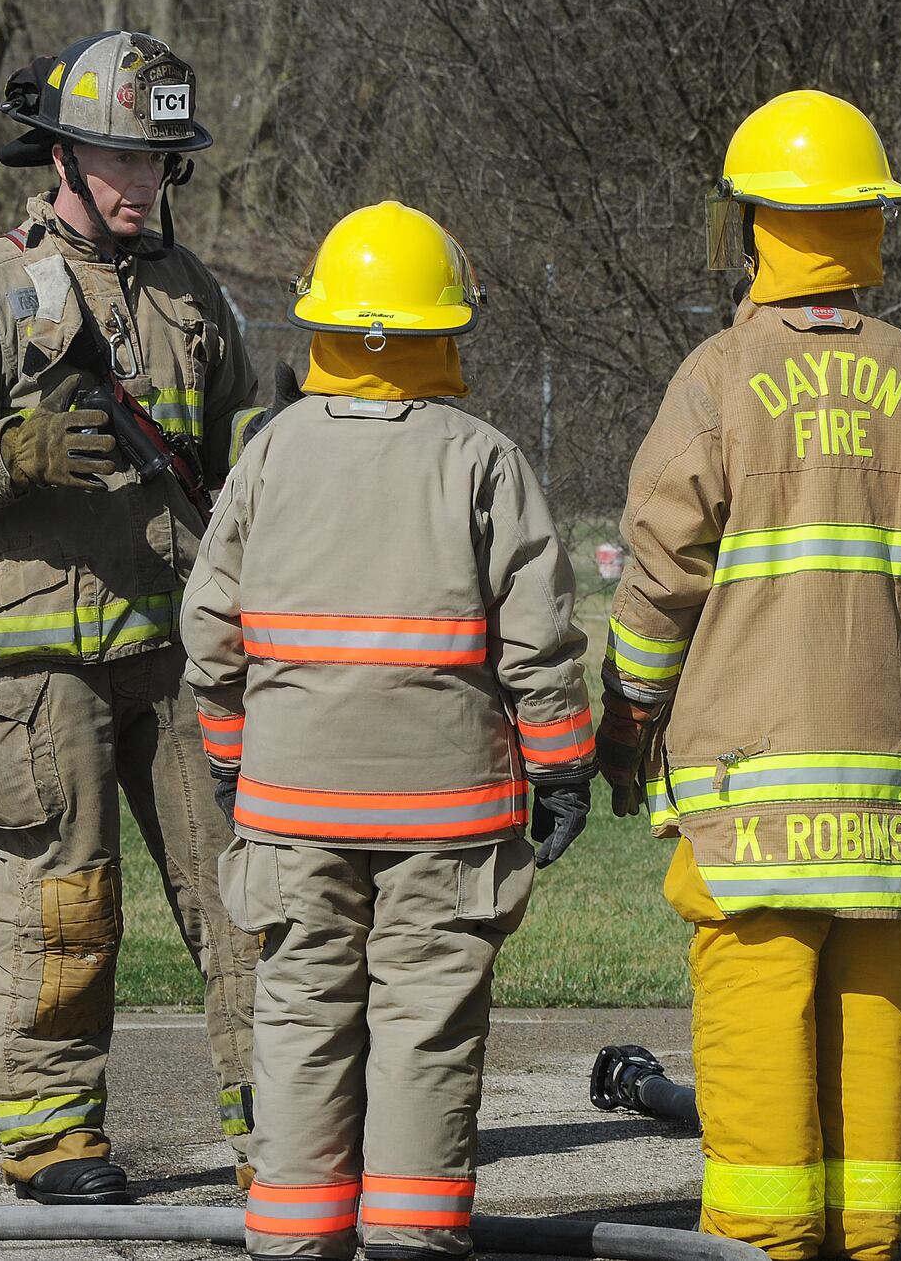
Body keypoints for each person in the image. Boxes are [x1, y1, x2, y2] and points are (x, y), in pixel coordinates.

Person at [597, 89, 901, 1261]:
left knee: (757, 1006)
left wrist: (627, 722)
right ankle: (875, 1230)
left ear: (754, 227)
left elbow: (661, 580)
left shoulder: (718, 377)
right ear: (865, 225)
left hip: (748, 792)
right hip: (885, 789)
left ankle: (767, 1241)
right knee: (876, 1005)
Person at [0, 30, 260, 1204]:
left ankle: (283, 1125)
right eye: (120, 161)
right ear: (63, 156)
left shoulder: (195, 296)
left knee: (246, 895)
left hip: (181, 652)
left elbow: (239, 454)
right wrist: (14, 451)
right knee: (65, 902)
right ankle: (52, 1136)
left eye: (159, 164)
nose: (142, 184)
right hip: (38, 659)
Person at [180, 200, 596, 1261]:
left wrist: (233, 761)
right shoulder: (483, 458)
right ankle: (412, 1235)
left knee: (302, 1015)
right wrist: (558, 769)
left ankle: (293, 1237)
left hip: (294, 806)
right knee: (425, 1024)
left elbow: (212, 629)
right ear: (440, 330)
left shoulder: (270, 457)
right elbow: (537, 640)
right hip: (447, 815)